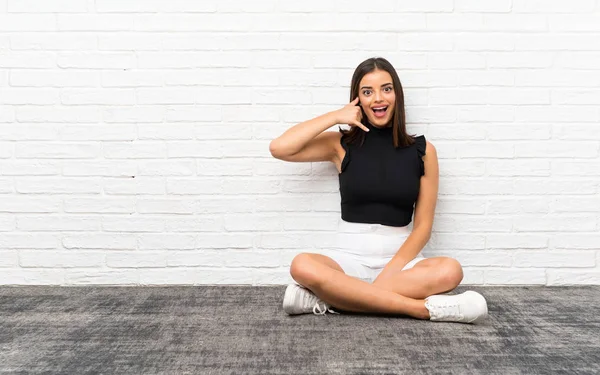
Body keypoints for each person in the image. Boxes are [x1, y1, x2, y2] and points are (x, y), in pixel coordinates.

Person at [269, 57, 488, 324]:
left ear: (397, 94)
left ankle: (332, 299)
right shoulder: (340, 144)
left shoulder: (424, 151)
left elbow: (423, 228)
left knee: (450, 270)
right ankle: (422, 309)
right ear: (357, 99)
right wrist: (336, 116)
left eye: (386, 88)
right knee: (301, 265)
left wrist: (390, 272)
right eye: (367, 92)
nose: (378, 99)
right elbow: (280, 148)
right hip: (348, 260)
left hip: (401, 263)